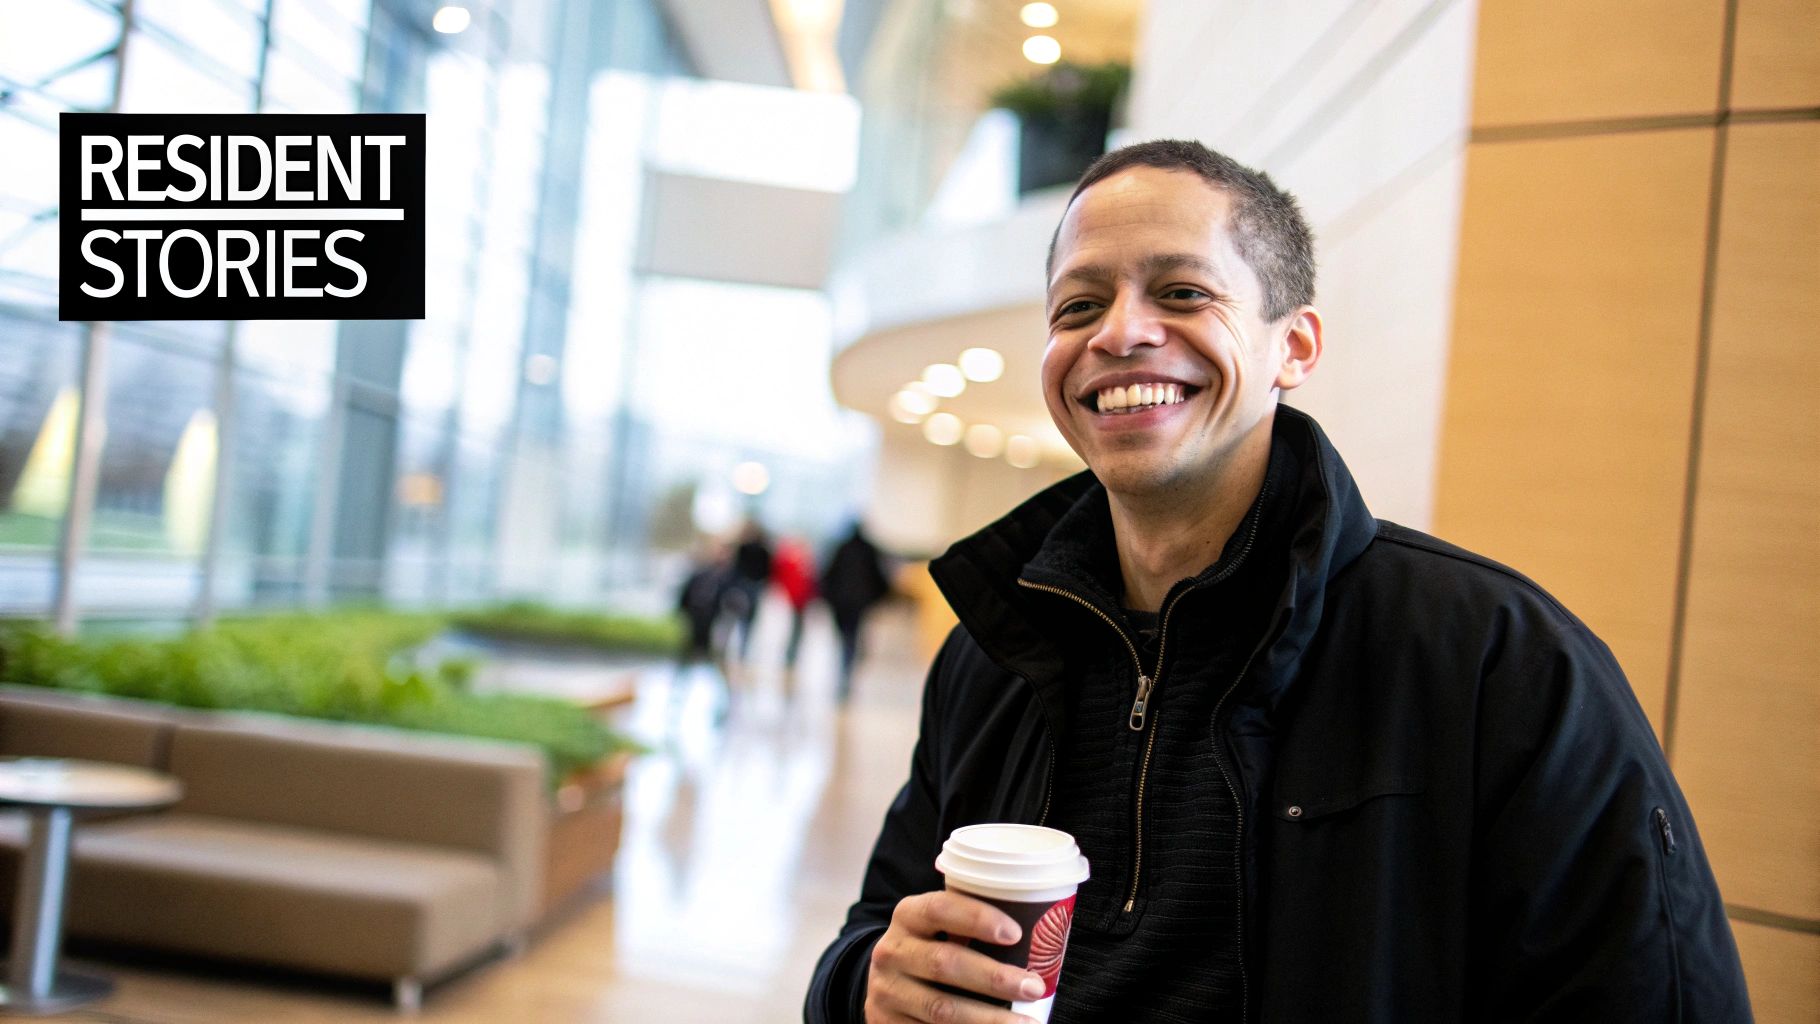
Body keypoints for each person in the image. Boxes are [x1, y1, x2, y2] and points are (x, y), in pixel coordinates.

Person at [806, 140, 1749, 1022]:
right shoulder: (992, 652)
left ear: (1292, 348)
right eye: (1078, 307)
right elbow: (878, 930)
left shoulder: (1499, 662)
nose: (1121, 333)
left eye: (1180, 292)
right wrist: (864, 985)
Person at [818, 521, 892, 700]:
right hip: (859, 602)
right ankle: (847, 669)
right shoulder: (869, 550)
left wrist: (828, 596)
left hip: (842, 602)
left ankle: (845, 670)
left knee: (846, 637)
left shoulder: (842, 548)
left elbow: (829, 574)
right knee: (852, 637)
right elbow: (880, 578)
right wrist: (877, 598)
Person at [726, 519, 773, 665]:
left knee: (745, 621)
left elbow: (767, 570)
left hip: (752, 587)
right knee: (737, 618)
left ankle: (742, 651)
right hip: (746, 587)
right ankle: (733, 649)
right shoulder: (746, 548)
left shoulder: (758, 549)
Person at [773, 536, 819, 676]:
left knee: (798, 629)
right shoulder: (790, 562)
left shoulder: (805, 563)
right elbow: (781, 577)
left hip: (802, 600)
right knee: (794, 629)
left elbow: (812, 583)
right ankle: (789, 656)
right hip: (794, 599)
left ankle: (792, 655)